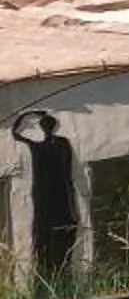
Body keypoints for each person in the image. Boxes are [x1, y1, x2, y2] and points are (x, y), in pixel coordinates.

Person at [13, 110, 79, 278]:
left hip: (48, 197)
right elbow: (68, 175)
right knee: (52, 237)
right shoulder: (60, 144)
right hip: (55, 196)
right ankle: (56, 270)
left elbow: (15, 134)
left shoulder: (38, 146)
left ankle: (56, 270)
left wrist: (27, 115)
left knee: (51, 237)